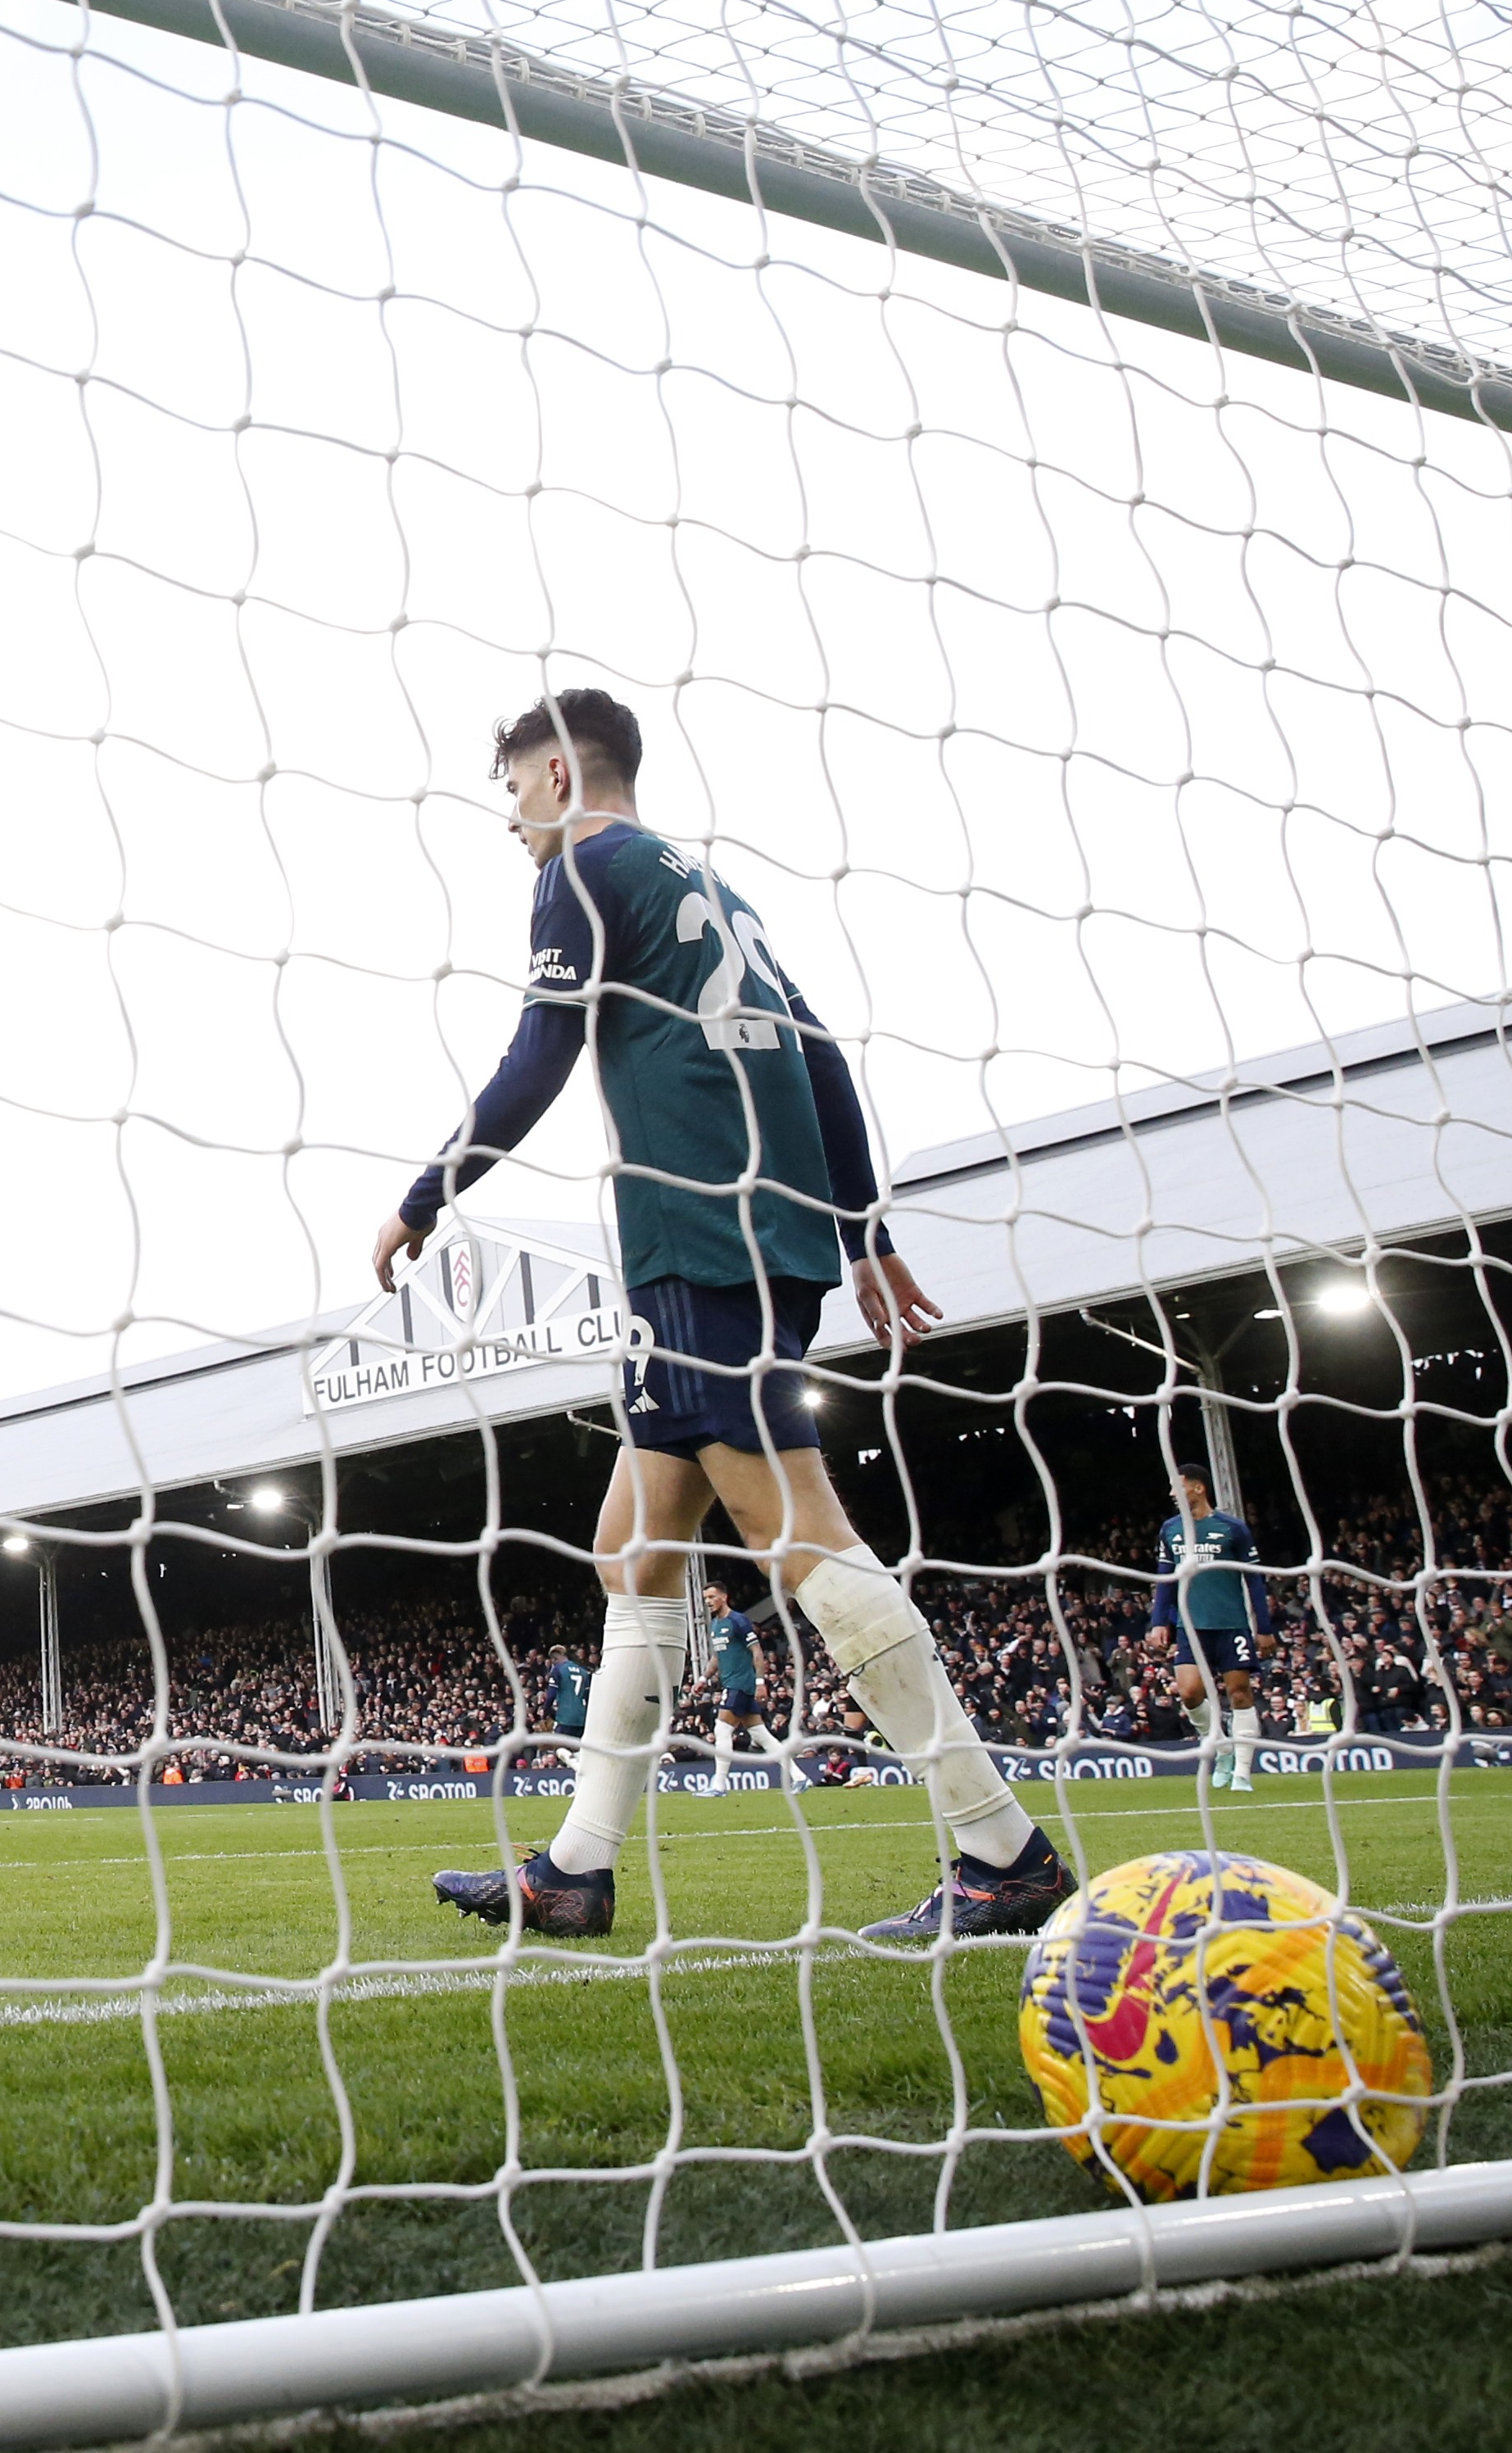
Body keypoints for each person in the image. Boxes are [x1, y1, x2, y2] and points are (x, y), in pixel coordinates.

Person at [380, 688, 1072, 1943]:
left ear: (551, 773)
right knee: (635, 1548)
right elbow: (818, 1053)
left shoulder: (584, 868)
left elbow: (541, 1051)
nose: (512, 822)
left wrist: (430, 1194)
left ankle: (1002, 1850)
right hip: (754, 1233)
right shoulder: (706, 889)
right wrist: (862, 1230)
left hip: (700, 1238)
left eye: (510, 793)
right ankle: (577, 1871)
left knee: (796, 1532)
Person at [1151, 1471, 1270, 1794]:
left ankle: (1243, 1773)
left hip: (1231, 1624)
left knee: (1240, 1694)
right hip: (1190, 1626)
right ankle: (1222, 1750)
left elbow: (1255, 1581)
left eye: (1178, 1487)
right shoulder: (1170, 1529)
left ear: (1198, 1488)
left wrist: (1264, 1628)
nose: (1173, 1494)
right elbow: (1166, 1580)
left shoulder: (1233, 1529)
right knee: (1189, 1693)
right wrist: (1158, 1622)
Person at [704, 1580, 772, 1755]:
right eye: (705, 1598)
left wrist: (760, 1682)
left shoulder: (738, 1620)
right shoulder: (715, 1625)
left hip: (740, 1683)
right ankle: (799, 1776)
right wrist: (703, 1679)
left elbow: (756, 1651)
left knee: (721, 1730)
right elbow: (717, 1656)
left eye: (712, 1597)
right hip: (731, 1682)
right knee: (760, 1733)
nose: (708, 1602)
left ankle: (719, 1783)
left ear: (724, 1597)